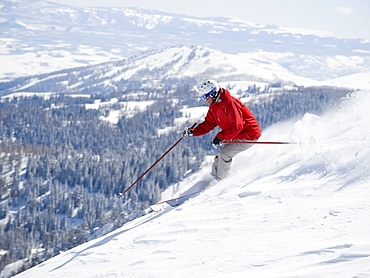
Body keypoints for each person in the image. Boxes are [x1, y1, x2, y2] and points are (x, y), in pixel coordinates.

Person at [183, 80, 261, 182]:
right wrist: (193, 131)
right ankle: (213, 179)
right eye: (203, 97)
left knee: (225, 153)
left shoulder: (229, 103)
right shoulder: (214, 106)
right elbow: (209, 123)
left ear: (214, 94)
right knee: (220, 156)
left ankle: (221, 183)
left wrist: (220, 137)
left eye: (205, 97)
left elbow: (237, 126)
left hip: (248, 135)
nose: (205, 100)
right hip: (235, 135)